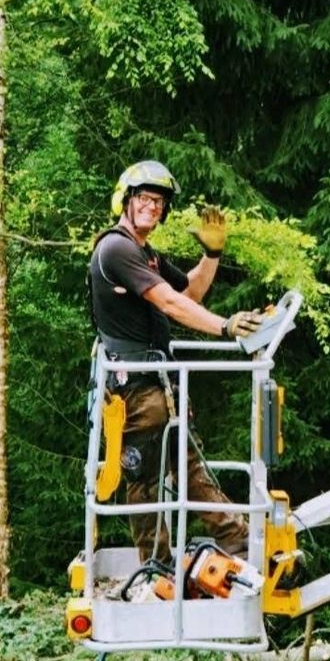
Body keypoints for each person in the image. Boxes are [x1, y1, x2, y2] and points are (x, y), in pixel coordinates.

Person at [88, 159, 263, 562]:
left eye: (159, 202)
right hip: (133, 390)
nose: (153, 207)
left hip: (157, 385)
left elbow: (189, 294)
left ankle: (235, 536)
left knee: (189, 465)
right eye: (145, 199)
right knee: (145, 479)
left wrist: (212, 254)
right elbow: (167, 302)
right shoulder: (116, 248)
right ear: (126, 200)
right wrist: (225, 327)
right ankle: (156, 566)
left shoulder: (145, 254)